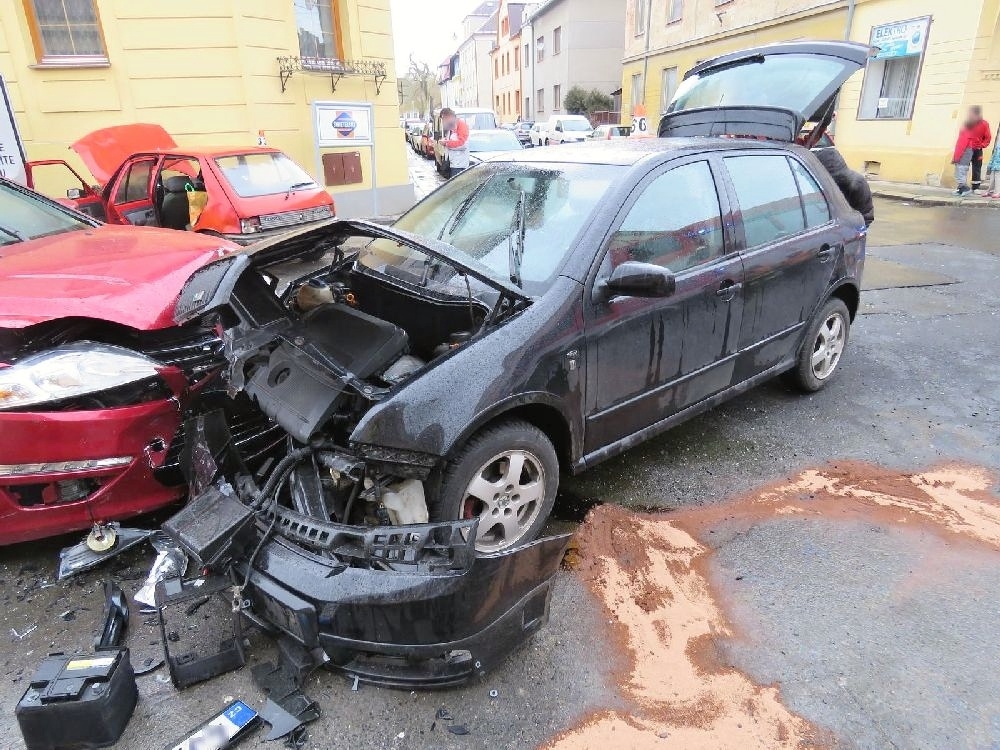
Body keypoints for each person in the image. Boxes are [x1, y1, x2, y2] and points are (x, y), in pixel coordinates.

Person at [813, 148, 875, 226]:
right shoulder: (816, 182)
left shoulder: (858, 184)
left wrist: (850, 232)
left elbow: (866, 216)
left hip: (849, 228)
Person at [438, 108, 470, 179]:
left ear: (449, 117)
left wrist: (446, 143)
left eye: (444, 119)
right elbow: (453, 140)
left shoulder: (461, 125)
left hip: (460, 166)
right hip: (454, 164)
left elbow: (462, 144)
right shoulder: (451, 127)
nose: (443, 122)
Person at [967, 106, 991, 191]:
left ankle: (975, 187)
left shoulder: (984, 124)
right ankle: (962, 187)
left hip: (977, 150)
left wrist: (982, 145)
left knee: (977, 168)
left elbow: (988, 137)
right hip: (967, 148)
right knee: (963, 167)